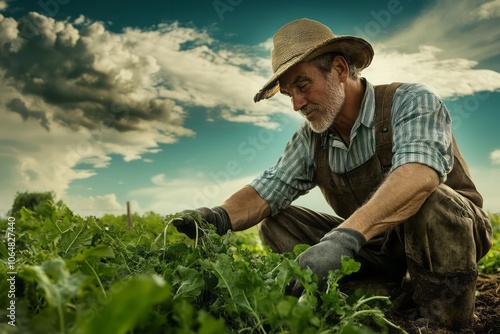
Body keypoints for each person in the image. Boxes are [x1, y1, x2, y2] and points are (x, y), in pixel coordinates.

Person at [173, 18, 492, 330]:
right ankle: (382, 298)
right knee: (278, 222)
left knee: (430, 198)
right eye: (288, 93)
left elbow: (419, 174)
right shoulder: (311, 139)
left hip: (451, 236)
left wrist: (343, 238)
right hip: (376, 247)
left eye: (302, 85)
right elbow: (269, 188)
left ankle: (441, 317)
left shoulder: (409, 101)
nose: (297, 103)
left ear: (340, 69)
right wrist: (216, 217)